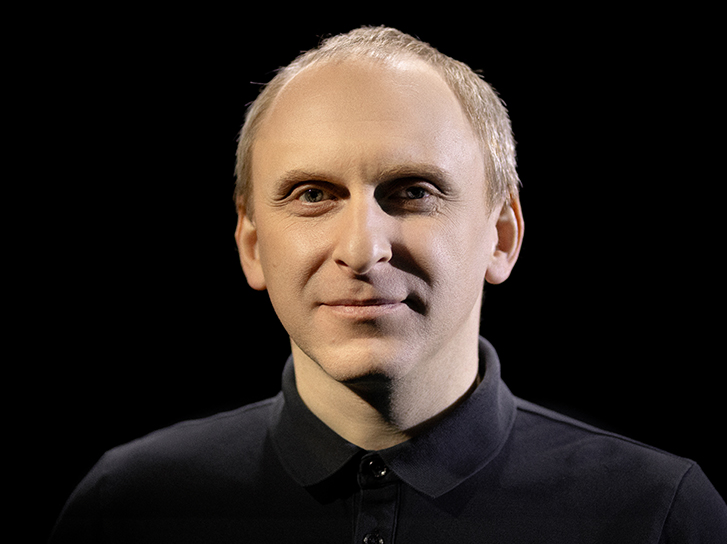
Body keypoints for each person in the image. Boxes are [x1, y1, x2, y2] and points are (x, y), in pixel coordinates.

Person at [50, 26, 726, 543]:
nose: (362, 249)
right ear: (252, 245)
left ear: (500, 236)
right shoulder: (127, 509)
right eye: (313, 194)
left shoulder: (657, 516)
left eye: (413, 191)